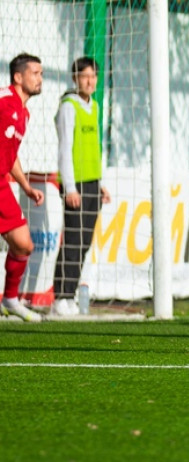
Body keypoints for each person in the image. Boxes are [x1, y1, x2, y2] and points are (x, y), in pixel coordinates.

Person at [50, 56, 110, 317]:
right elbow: (65, 150)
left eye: (94, 76)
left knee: (84, 242)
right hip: (75, 185)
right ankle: (59, 297)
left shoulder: (95, 106)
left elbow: (94, 149)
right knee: (72, 240)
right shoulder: (68, 106)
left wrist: (101, 184)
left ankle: (71, 295)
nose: (90, 81)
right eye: (85, 76)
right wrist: (70, 187)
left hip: (92, 183)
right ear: (75, 78)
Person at [0, 54, 46, 322]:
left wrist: (26, 187)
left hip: (2, 183)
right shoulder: (4, 101)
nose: (40, 78)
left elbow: (10, 154)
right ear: (18, 77)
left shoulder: (23, 113)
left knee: (23, 244)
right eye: (35, 73)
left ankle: (10, 299)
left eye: (41, 73)